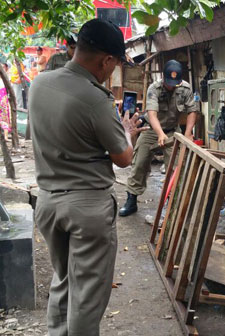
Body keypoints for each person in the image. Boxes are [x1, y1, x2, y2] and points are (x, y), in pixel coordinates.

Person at [29, 19, 148, 335]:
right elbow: (123, 158)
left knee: (64, 281)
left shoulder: (40, 84)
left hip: (47, 204)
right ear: (107, 60)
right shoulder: (96, 99)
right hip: (86, 208)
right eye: (115, 64)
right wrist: (127, 133)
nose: (113, 72)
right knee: (86, 299)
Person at [119, 60, 198, 217]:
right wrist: (160, 134)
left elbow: (192, 110)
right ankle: (131, 199)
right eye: (169, 83)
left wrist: (188, 132)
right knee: (140, 161)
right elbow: (152, 114)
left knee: (176, 167)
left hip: (173, 131)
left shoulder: (185, 88)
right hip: (151, 130)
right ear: (163, 77)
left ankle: (172, 203)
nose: (171, 86)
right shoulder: (154, 88)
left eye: (175, 83)